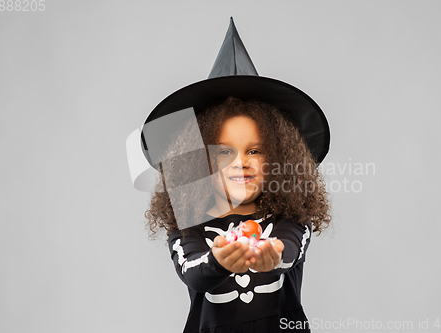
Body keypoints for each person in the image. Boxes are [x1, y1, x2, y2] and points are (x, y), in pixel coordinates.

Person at [140, 18, 331, 333]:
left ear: (280, 159)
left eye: (254, 151)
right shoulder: (188, 227)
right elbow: (192, 271)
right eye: (224, 152)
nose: (240, 163)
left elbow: (289, 250)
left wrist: (273, 255)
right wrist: (219, 261)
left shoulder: (291, 218)